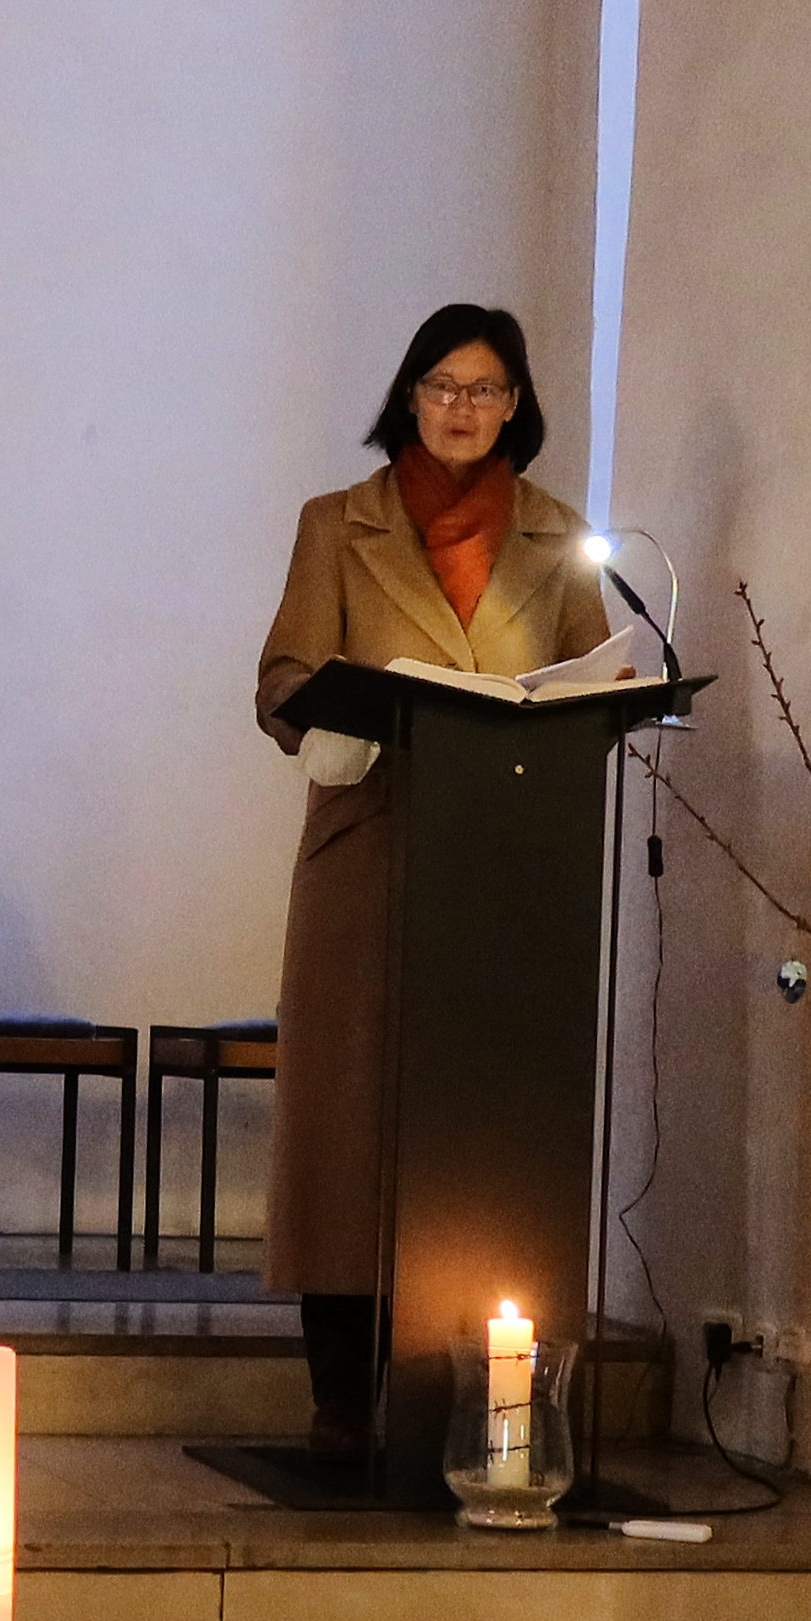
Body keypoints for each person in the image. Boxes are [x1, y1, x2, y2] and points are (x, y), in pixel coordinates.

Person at [252, 304, 617, 1455]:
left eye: (484, 389)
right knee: (348, 1125)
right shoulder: (336, 524)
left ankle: (487, 1400)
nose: (462, 408)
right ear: (408, 396)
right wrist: (345, 707)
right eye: (441, 386)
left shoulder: (559, 537)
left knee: (485, 1122)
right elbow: (282, 676)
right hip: (369, 842)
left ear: (517, 406)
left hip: (504, 866)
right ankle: (339, 1399)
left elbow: (592, 682)